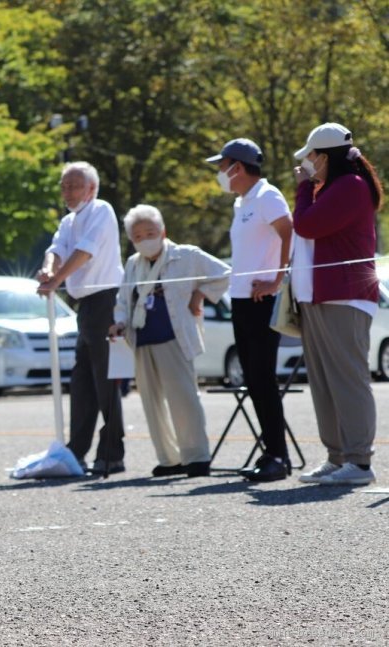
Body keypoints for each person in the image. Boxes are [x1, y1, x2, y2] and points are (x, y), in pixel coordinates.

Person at [108, 205, 230, 477]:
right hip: (141, 338)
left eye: (150, 232)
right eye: (138, 236)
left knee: (184, 398)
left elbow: (223, 273)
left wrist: (200, 294)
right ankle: (169, 458)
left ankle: (197, 457)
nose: (145, 239)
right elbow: (123, 301)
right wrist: (119, 323)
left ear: (163, 231)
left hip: (175, 336)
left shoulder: (185, 255)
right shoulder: (132, 264)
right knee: (151, 403)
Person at [292, 123, 382, 486]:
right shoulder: (331, 187)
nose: (306, 164)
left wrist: (302, 188)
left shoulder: (350, 187)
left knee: (347, 380)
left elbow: (306, 225)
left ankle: (359, 461)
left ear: (324, 156)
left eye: (310, 157)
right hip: (319, 295)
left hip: (344, 296)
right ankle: (337, 457)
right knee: (325, 383)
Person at [206, 138, 293, 482]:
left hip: (262, 300)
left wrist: (276, 281)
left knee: (263, 379)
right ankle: (271, 452)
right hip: (241, 299)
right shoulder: (241, 203)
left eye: (221, 166)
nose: (219, 174)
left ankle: (279, 457)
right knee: (252, 380)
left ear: (236, 167)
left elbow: (289, 232)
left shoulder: (267, 195)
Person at [37, 161, 126, 474]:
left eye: (74, 185)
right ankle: (77, 449)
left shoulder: (101, 210)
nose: (67, 191)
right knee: (83, 381)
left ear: (91, 188)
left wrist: (55, 280)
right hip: (85, 306)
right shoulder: (69, 220)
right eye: (64, 186)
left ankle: (113, 451)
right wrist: (49, 269)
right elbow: (56, 248)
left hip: (107, 301)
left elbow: (85, 252)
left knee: (105, 380)